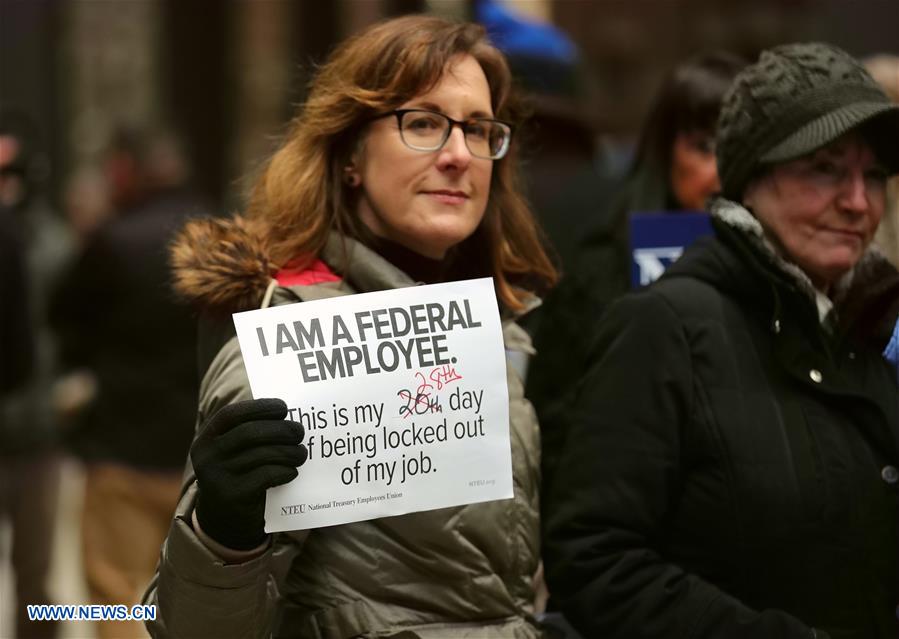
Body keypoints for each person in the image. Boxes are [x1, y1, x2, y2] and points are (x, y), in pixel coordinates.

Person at [143, 15, 556, 639]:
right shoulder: (285, 340)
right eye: (422, 123)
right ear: (350, 157)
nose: (456, 155)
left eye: (478, 129)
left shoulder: (501, 329)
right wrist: (223, 532)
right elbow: (190, 629)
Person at [543, 42, 899, 639]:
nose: (858, 202)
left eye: (875, 176)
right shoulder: (664, 328)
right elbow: (594, 561)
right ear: (750, 181)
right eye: (825, 168)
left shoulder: (865, 326)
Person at [526, 51, 745, 501]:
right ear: (666, 149)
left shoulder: (784, 264)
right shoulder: (603, 262)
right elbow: (557, 417)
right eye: (704, 147)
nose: (723, 173)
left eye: (739, 149)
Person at [50, 126, 203, 639]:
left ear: (125, 170)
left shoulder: (113, 241)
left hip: (123, 451)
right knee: (205, 600)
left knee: (116, 595)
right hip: (205, 455)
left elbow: (64, 322)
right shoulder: (224, 232)